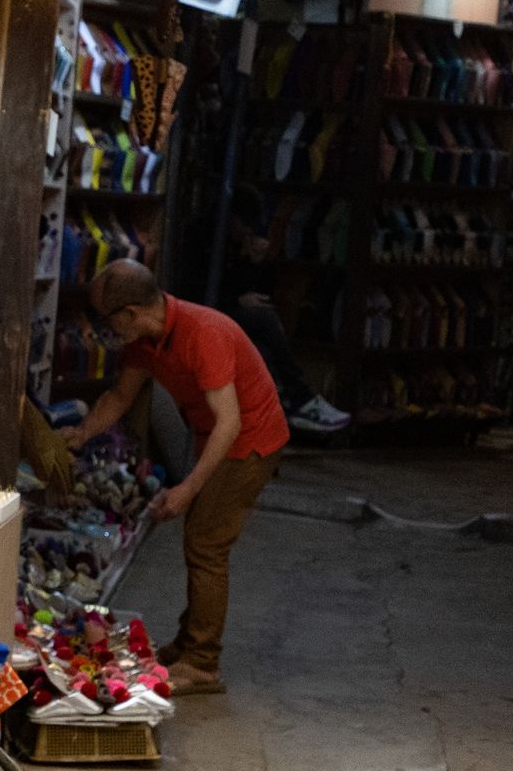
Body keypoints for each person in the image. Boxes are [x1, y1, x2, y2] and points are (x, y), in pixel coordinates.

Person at [61, 259, 289, 695]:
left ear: (130, 313)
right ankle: (188, 645)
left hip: (250, 439)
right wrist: (83, 432)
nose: (108, 332)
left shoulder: (204, 334)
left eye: (110, 322)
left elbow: (229, 422)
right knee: (200, 538)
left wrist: (187, 488)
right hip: (217, 436)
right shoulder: (145, 341)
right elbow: (120, 395)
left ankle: (202, 663)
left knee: (207, 546)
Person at [222, 194, 349, 435]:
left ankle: (288, 407)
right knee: (264, 318)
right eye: (244, 226)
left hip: (231, 312)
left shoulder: (239, 246)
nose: (246, 232)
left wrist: (254, 262)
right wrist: (234, 298)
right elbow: (198, 287)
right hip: (214, 310)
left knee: (264, 348)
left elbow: (260, 291)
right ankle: (300, 399)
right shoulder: (211, 242)